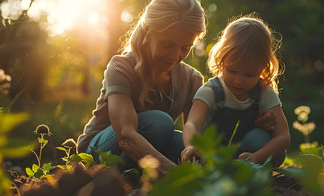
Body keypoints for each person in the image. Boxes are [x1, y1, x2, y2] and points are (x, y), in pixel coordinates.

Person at [77, 1, 277, 175]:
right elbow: (126, 136)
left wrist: (253, 122)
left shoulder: (191, 79)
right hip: (101, 148)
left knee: (190, 148)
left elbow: (197, 134)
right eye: (167, 44)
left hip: (153, 144)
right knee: (160, 123)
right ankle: (115, 172)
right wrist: (172, 171)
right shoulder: (121, 67)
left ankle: (134, 173)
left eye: (185, 47)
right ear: (148, 32)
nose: (175, 55)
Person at [181, 15, 290, 167]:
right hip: (212, 156)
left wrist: (257, 157)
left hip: (247, 158)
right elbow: (192, 124)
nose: (238, 81)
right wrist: (192, 146)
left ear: (263, 68)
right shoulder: (211, 91)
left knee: (262, 139)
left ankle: (252, 173)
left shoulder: (264, 93)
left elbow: (283, 137)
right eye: (232, 70)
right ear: (221, 60)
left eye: (249, 75)